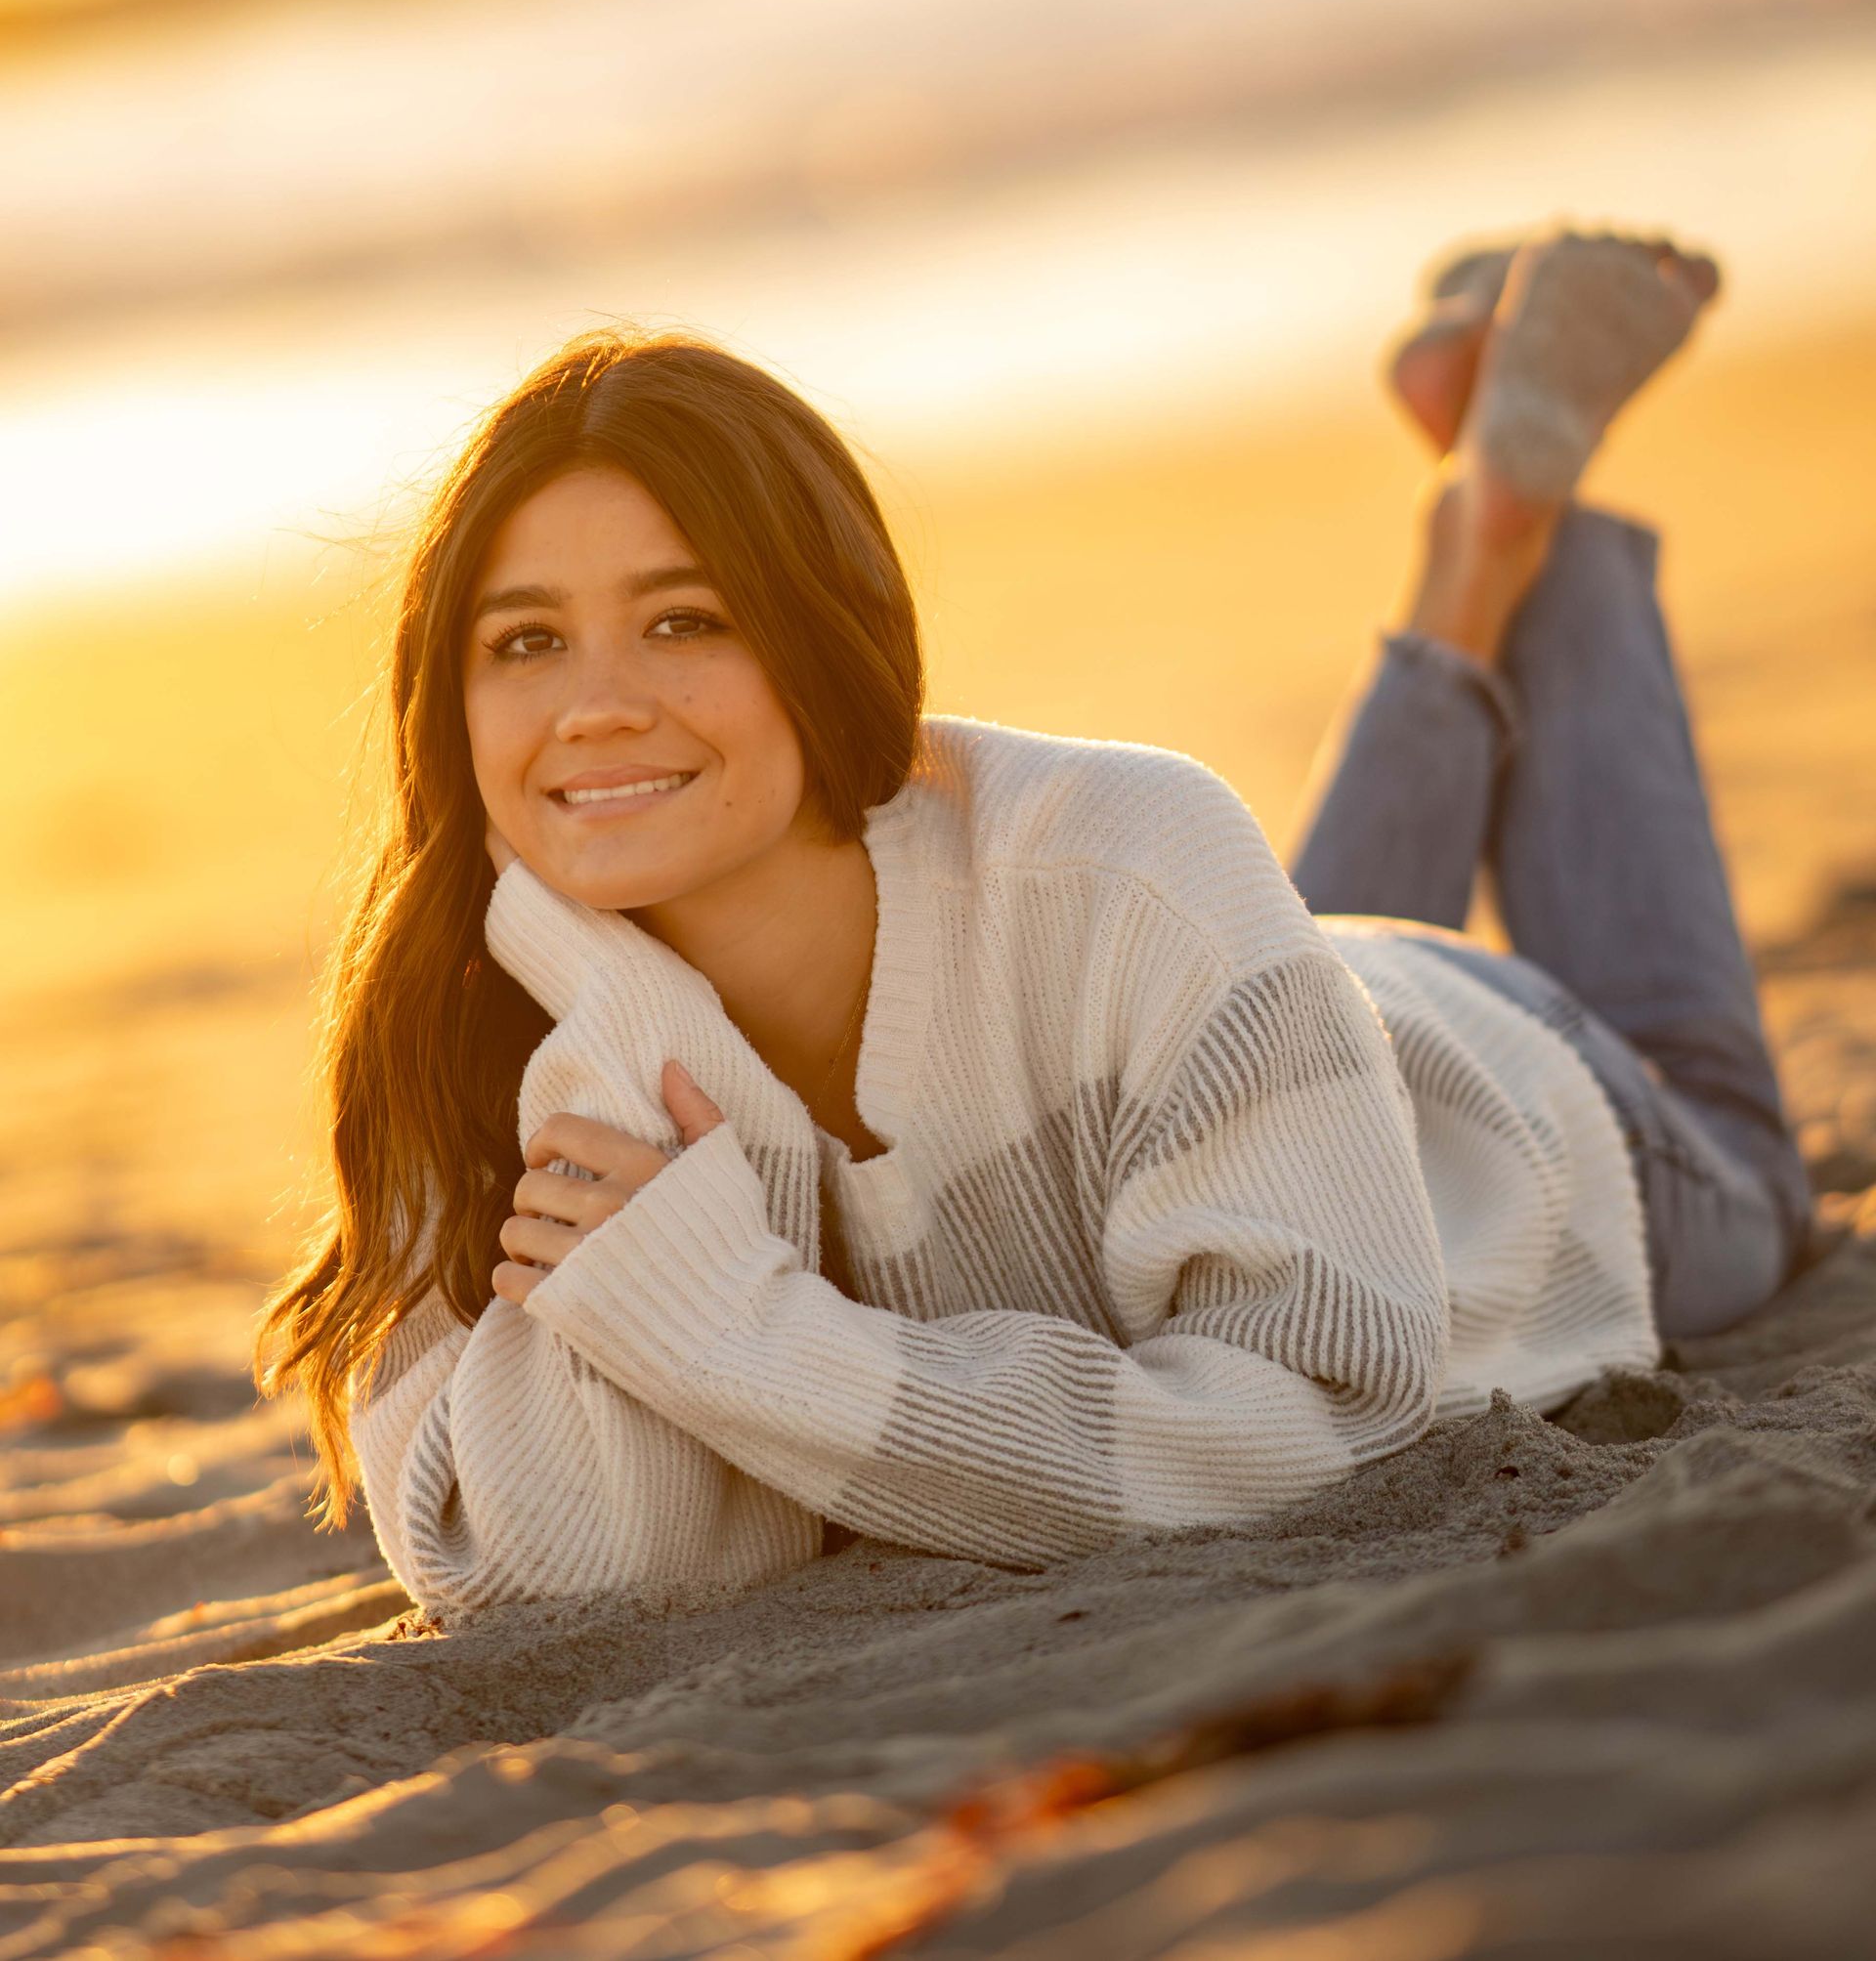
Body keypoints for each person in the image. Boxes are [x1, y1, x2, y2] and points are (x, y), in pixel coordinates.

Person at [258, 230, 1812, 1617]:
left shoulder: (1122, 854)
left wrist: (729, 1324)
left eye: (685, 620)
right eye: (524, 641)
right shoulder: (458, 1035)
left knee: (1741, 1137)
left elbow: (1319, 1417)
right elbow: (557, 1571)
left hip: (1484, 1120)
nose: (594, 707)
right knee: (1260, 928)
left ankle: (1505, 531)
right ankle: (1482, 518)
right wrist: (618, 1027)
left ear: (820, 632)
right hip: (1250, 1007)